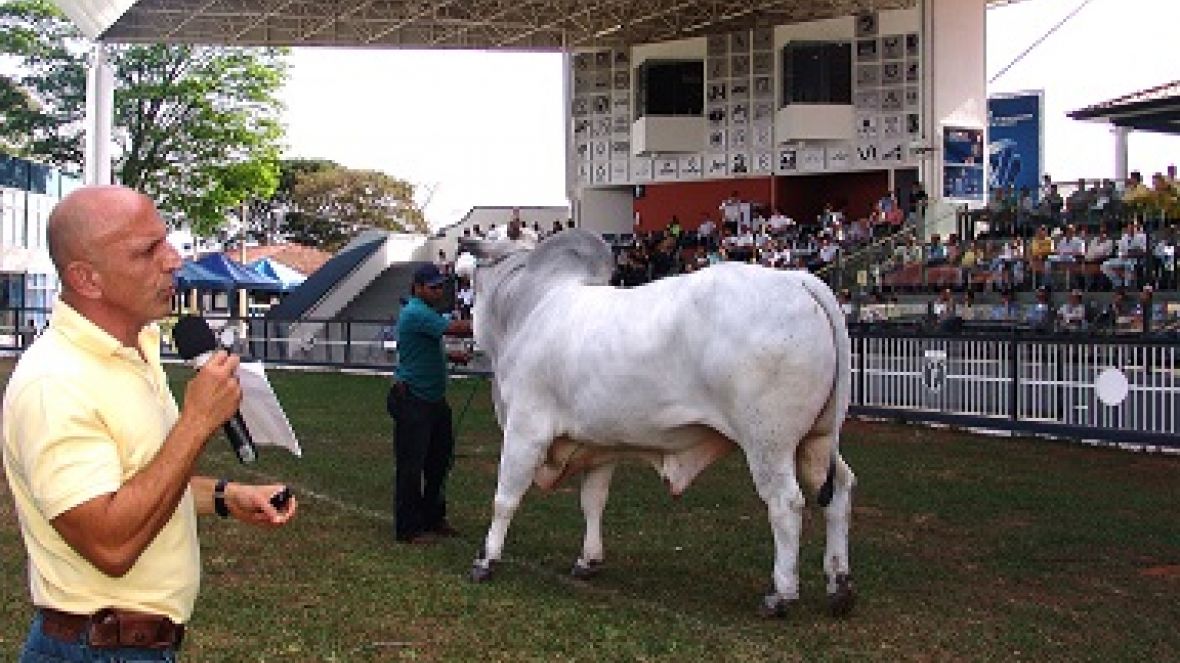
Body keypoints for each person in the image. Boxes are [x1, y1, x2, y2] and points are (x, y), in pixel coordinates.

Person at [2, 185, 298, 660]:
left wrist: (225, 496)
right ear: (87, 279)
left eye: (166, 240)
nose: (174, 259)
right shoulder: (54, 383)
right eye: (147, 251)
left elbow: (139, 480)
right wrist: (197, 422)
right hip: (97, 648)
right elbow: (111, 545)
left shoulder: (135, 350)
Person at [387, 263, 473, 544]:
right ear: (418, 287)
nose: (439, 291)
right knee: (411, 466)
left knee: (439, 462)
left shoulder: (425, 313)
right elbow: (457, 328)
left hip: (432, 400)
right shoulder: (415, 312)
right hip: (414, 400)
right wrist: (490, 321)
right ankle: (408, 528)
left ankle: (433, 517)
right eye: (433, 287)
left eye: (440, 286)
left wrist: (452, 357)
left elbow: (429, 345)